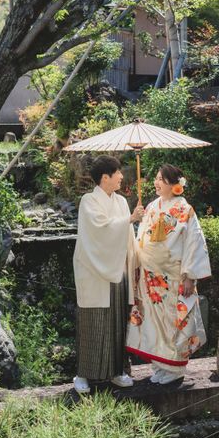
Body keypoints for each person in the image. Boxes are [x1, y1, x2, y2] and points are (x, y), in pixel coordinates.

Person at [125, 164, 211, 385]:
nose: (156, 182)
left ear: (175, 185)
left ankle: (175, 370)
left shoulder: (185, 209)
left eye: (161, 179)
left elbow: (194, 242)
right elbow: (143, 237)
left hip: (173, 277)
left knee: (173, 321)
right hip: (150, 277)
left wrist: (190, 275)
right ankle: (161, 366)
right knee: (153, 323)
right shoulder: (153, 206)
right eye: (156, 178)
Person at [72, 155, 145, 394]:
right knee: (93, 320)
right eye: (118, 173)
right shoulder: (88, 201)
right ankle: (83, 374)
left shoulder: (121, 202)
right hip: (95, 271)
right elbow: (99, 230)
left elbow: (126, 236)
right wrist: (130, 219)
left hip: (118, 268)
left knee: (117, 320)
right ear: (106, 177)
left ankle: (117, 371)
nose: (122, 176)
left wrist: (136, 259)